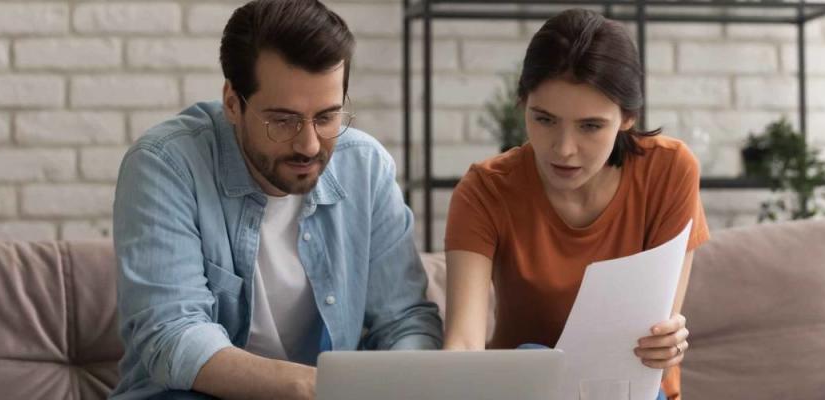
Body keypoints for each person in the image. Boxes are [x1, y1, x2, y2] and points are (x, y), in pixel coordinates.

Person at [110, 1, 441, 399]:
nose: (309, 144)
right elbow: (173, 336)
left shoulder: (366, 167)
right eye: (282, 121)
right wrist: (318, 388)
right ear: (233, 102)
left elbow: (405, 321)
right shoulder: (166, 164)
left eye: (326, 116)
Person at [442, 8, 710, 400]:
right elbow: (463, 344)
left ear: (627, 117)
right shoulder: (484, 190)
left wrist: (668, 339)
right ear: (523, 104)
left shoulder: (669, 171)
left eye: (590, 126)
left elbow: (659, 324)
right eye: (544, 120)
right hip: (528, 390)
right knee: (532, 358)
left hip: (631, 392)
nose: (563, 150)